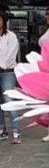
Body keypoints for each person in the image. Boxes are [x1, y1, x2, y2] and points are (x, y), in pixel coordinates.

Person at [0, 11, 21, 143]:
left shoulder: (10, 36)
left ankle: (16, 131)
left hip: (7, 72)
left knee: (9, 101)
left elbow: (11, 54)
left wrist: (1, 65)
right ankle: (2, 130)